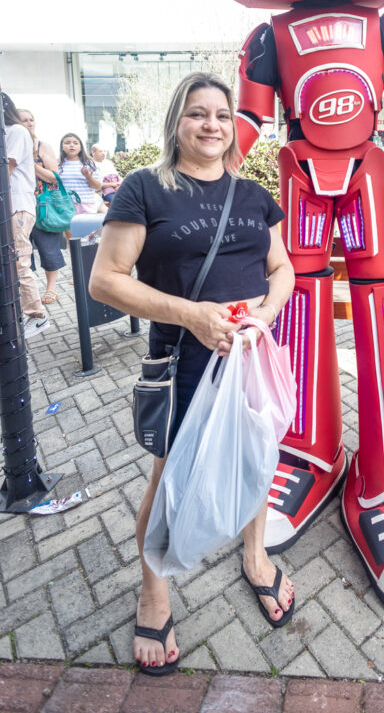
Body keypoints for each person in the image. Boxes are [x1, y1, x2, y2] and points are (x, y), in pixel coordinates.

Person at [89, 71, 296, 675]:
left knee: (257, 459)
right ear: (176, 122)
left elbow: (282, 269)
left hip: (251, 356)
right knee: (168, 477)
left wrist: (263, 316)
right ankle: (154, 592)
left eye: (223, 115)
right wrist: (192, 316)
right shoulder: (145, 189)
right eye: (198, 113)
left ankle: (255, 558)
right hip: (185, 358)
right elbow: (105, 281)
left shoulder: (253, 195)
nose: (212, 125)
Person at [1, 93, 49, 338]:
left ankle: (37, 315)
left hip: (17, 206)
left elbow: (6, 169)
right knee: (12, 263)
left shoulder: (16, 131)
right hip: (11, 207)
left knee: (20, 262)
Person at [17, 109, 66, 304]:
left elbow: (54, 177)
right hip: (18, 205)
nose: (30, 123)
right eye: (24, 120)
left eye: (31, 119)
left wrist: (30, 163)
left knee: (48, 248)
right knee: (21, 252)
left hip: (42, 205)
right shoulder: (9, 144)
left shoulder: (42, 146)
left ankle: (51, 288)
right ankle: (28, 292)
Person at [58, 133, 102, 219]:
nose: (71, 145)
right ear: (62, 147)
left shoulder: (89, 163)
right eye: (67, 143)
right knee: (68, 228)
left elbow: (97, 186)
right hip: (64, 205)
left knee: (86, 227)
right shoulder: (57, 164)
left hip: (86, 204)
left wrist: (88, 177)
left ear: (81, 147)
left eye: (75, 143)